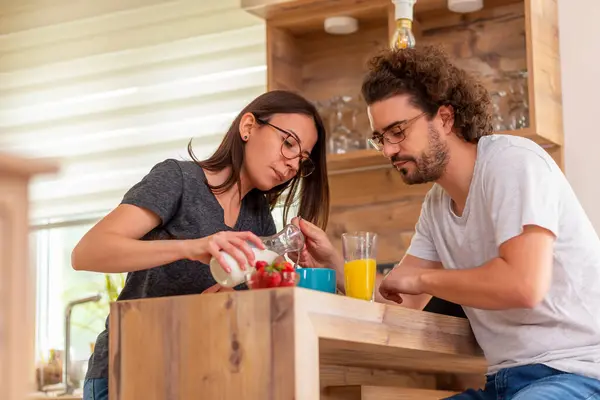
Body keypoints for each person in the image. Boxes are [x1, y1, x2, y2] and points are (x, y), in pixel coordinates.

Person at [293, 46, 600, 400]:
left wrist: (423, 278)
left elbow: (524, 285)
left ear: (445, 118)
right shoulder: (436, 207)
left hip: (579, 372)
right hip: (504, 382)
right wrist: (334, 265)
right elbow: (401, 301)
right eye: (380, 138)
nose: (389, 150)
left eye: (398, 131)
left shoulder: (512, 163)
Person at [72, 89, 330, 400]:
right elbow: (88, 252)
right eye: (288, 143)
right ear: (248, 127)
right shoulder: (178, 180)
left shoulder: (259, 219)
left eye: (302, 159)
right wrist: (191, 247)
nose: (291, 165)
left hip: (196, 375)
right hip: (127, 372)